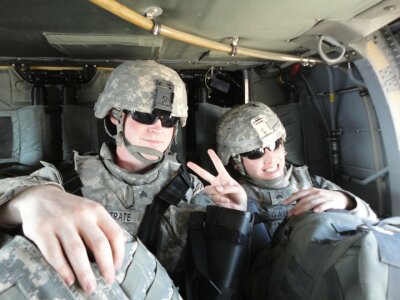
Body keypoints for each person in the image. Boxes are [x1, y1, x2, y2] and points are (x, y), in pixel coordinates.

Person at [0, 60, 247, 296]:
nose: (157, 128)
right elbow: (13, 193)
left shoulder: (193, 189)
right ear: (115, 116)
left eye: (169, 120)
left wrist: (233, 217)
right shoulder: (67, 178)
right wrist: (31, 199)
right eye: (144, 115)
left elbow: (214, 275)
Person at [210, 101, 378, 252]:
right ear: (236, 162)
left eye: (274, 144)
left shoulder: (315, 184)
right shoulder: (228, 199)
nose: (270, 158)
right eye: (255, 153)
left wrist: (347, 202)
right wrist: (236, 216)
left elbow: (373, 222)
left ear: (283, 146)